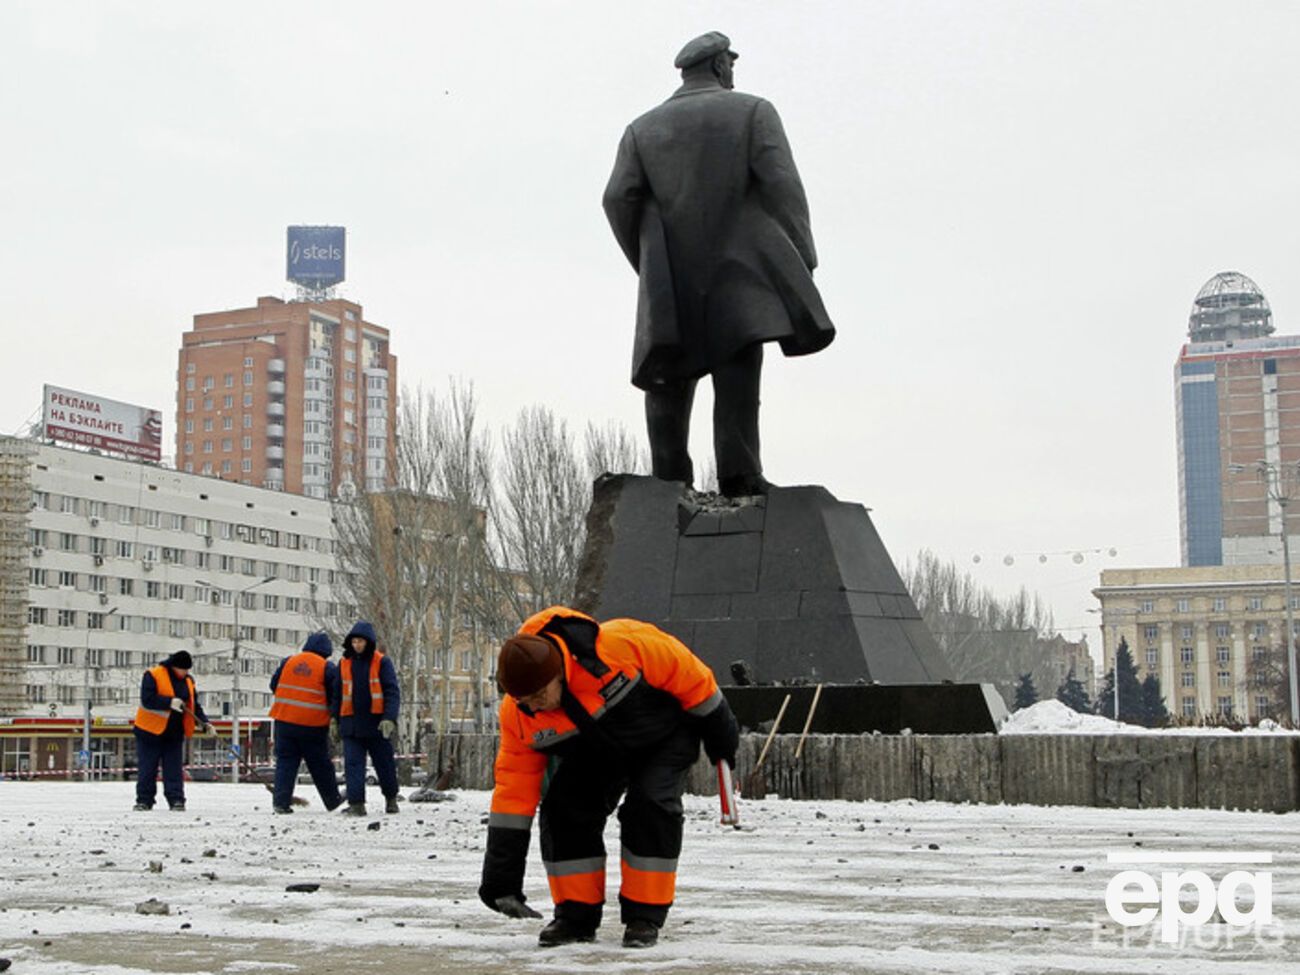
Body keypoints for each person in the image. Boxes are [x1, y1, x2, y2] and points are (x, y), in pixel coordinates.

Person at [603, 31, 835, 498]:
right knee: (737, 373)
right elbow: (782, 186)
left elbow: (616, 199)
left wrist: (648, 262)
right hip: (740, 277)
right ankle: (739, 473)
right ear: (720, 66)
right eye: (731, 63)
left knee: (667, 375)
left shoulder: (641, 130)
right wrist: (800, 254)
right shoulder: (752, 111)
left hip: (670, 281)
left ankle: (668, 481)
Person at [478, 606, 739, 949]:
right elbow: (513, 795)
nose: (535, 708)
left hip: (663, 737)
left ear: (560, 672)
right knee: (563, 811)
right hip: (597, 751)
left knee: (650, 807)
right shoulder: (520, 716)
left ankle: (644, 917)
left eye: (540, 696)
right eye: (524, 701)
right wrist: (501, 880)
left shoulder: (620, 647)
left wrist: (721, 737)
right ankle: (575, 916)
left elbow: (693, 678)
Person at [268, 631, 344, 814]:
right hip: (312, 724)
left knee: (286, 762)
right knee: (320, 764)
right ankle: (332, 799)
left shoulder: (289, 661)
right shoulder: (326, 667)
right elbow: (335, 696)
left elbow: (273, 685)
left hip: (284, 721)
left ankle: (281, 802)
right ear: (326, 651)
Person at [132, 650, 213, 811]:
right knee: (148, 769)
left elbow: (193, 706)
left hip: (174, 733)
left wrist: (205, 723)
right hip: (149, 731)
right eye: (183, 669)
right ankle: (144, 800)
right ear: (174, 666)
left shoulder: (189, 681)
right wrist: (169, 702)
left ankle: (176, 800)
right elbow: (147, 699)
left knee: (174, 769)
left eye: (187, 670)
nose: (185, 673)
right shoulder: (153, 675)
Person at [334, 620, 401, 815]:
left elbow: (391, 692)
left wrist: (389, 717)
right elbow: (337, 695)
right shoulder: (343, 664)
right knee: (353, 766)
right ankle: (356, 804)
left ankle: (391, 798)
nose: (357, 645)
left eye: (360, 641)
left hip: (377, 725)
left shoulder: (382, 662)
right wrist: (333, 719)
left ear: (369, 642)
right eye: (354, 641)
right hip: (351, 725)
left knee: (384, 764)